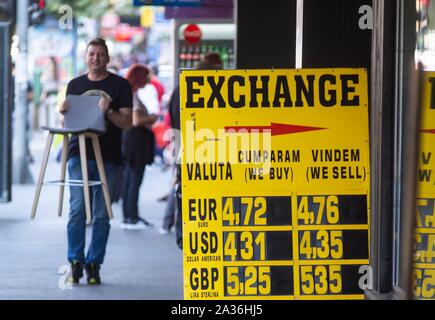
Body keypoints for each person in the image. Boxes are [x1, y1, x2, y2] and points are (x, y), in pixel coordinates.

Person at [59, 38, 133, 285]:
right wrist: (63, 113)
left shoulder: (120, 86)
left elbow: (127, 123)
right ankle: (75, 261)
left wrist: (109, 111)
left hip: (109, 156)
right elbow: (67, 124)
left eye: (101, 55)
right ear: (85, 57)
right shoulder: (75, 84)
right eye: (92, 54)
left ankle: (94, 263)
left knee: (102, 214)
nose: (96, 58)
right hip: (78, 153)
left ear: (108, 58)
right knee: (78, 209)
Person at [159, 53, 223, 246]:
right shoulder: (207, 89)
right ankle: (191, 233)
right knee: (196, 192)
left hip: (184, 147)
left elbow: (172, 117)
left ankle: (180, 232)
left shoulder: (180, 89)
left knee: (182, 189)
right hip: (202, 148)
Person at [121, 64, 158, 230]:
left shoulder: (130, 92)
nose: (150, 79)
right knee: (134, 178)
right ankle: (132, 217)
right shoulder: (132, 94)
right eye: (147, 76)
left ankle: (130, 215)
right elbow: (136, 120)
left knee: (130, 178)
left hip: (131, 140)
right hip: (136, 140)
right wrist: (150, 118)